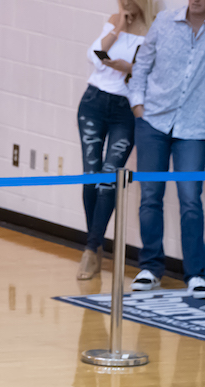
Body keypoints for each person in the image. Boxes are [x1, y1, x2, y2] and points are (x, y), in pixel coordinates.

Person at [128, 0, 205, 298]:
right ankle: (150, 267)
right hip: (153, 122)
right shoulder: (164, 22)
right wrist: (138, 106)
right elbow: (142, 66)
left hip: (195, 129)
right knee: (150, 195)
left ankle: (196, 274)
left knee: (190, 199)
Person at [76, 0, 153, 281]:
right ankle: (93, 247)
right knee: (90, 175)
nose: (125, 3)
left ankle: (90, 248)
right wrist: (118, 26)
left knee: (109, 179)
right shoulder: (113, 20)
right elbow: (94, 57)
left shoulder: (153, 29)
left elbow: (152, 72)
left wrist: (128, 67)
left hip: (125, 109)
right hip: (94, 102)